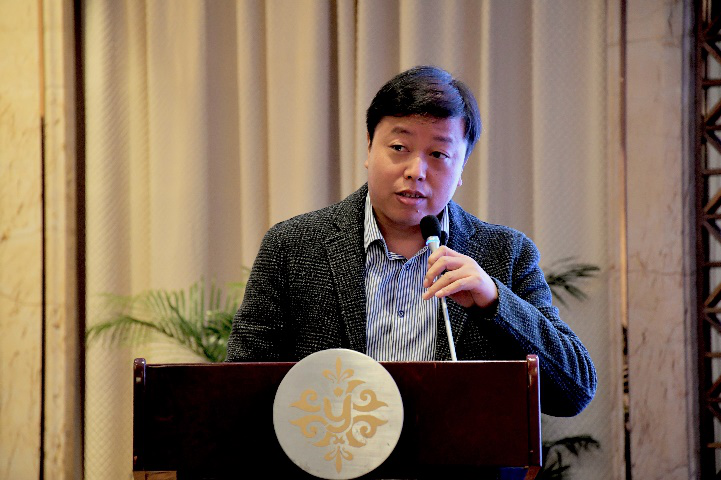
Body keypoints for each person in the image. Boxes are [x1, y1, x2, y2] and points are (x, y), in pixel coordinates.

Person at [226, 66, 596, 417]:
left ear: (462, 167)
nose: (416, 171)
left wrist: (493, 301)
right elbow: (241, 387)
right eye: (399, 147)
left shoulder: (507, 254)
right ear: (369, 147)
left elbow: (574, 392)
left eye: (438, 154)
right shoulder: (292, 246)